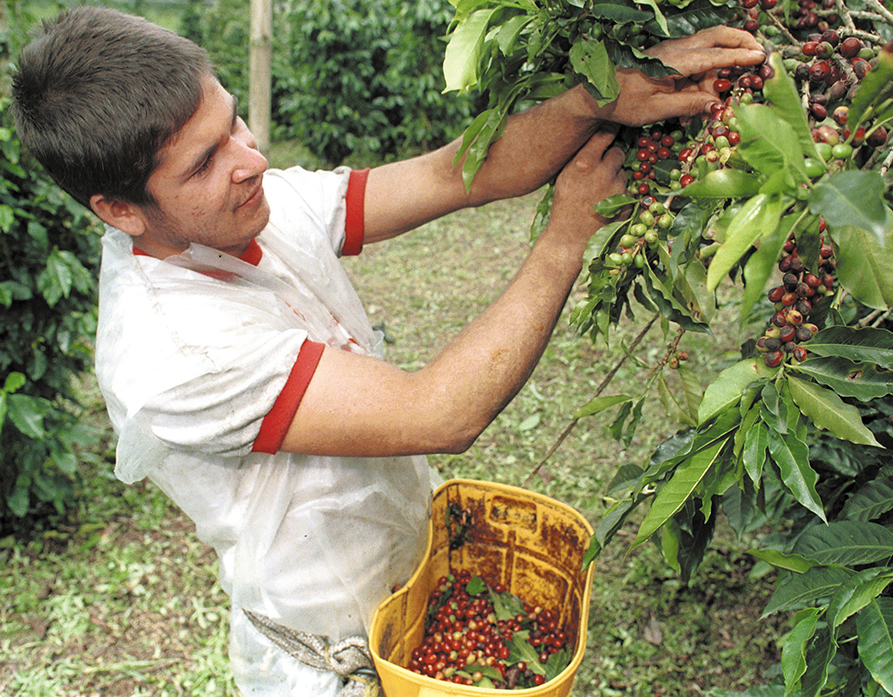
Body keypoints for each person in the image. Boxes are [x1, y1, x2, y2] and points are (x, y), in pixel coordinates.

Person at [11, 6, 765, 695]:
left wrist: (593, 100)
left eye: (235, 124)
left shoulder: (255, 210)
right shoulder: (173, 350)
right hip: (330, 661)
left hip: (414, 589)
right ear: (118, 210)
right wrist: (566, 235)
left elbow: (454, 173)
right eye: (204, 162)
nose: (252, 159)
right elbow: (439, 412)